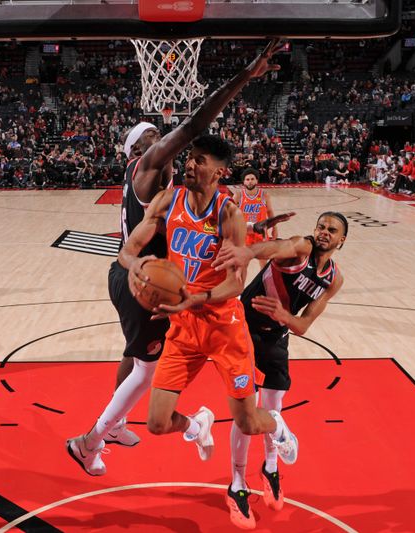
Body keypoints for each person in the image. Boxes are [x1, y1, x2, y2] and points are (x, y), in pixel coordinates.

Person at [66, 39, 287, 476]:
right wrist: (244, 76)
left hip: (143, 277)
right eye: (154, 140)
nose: (164, 143)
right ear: (139, 152)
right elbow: (191, 128)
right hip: (143, 278)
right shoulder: (150, 173)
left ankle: (112, 431)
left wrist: (255, 231)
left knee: (135, 359)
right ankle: (90, 441)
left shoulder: (190, 198)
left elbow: (216, 242)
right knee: (146, 374)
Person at [121, 134, 299, 528]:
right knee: (157, 424)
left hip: (223, 328)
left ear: (221, 172)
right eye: (189, 158)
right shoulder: (169, 201)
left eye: (199, 161)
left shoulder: (228, 214)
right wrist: (132, 265)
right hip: (183, 329)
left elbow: (236, 284)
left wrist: (195, 298)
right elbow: (128, 247)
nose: (189, 165)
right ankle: (198, 424)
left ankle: (279, 425)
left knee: (249, 421)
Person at [213, 212, 347, 527]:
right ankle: (236, 484)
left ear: (342, 240)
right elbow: (276, 246)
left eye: (332, 230)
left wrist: (283, 316)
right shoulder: (302, 247)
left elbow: (302, 324)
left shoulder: (334, 278)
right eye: (321, 226)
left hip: (277, 335)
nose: (324, 232)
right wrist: (248, 251)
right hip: (244, 328)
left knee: (275, 409)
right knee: (248, 412)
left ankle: (270, 468)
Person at [230, 168, 278, 254]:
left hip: (260, 232)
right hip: (243, 233)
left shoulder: (264, 195)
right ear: (244, 182)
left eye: (252, 179)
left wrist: (275, 228)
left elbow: (270, 211)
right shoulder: (238, 195)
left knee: (263, 260)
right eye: (247, 179)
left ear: (256, 181)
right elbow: (230, 214)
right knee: (242, 262)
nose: (250, 181)